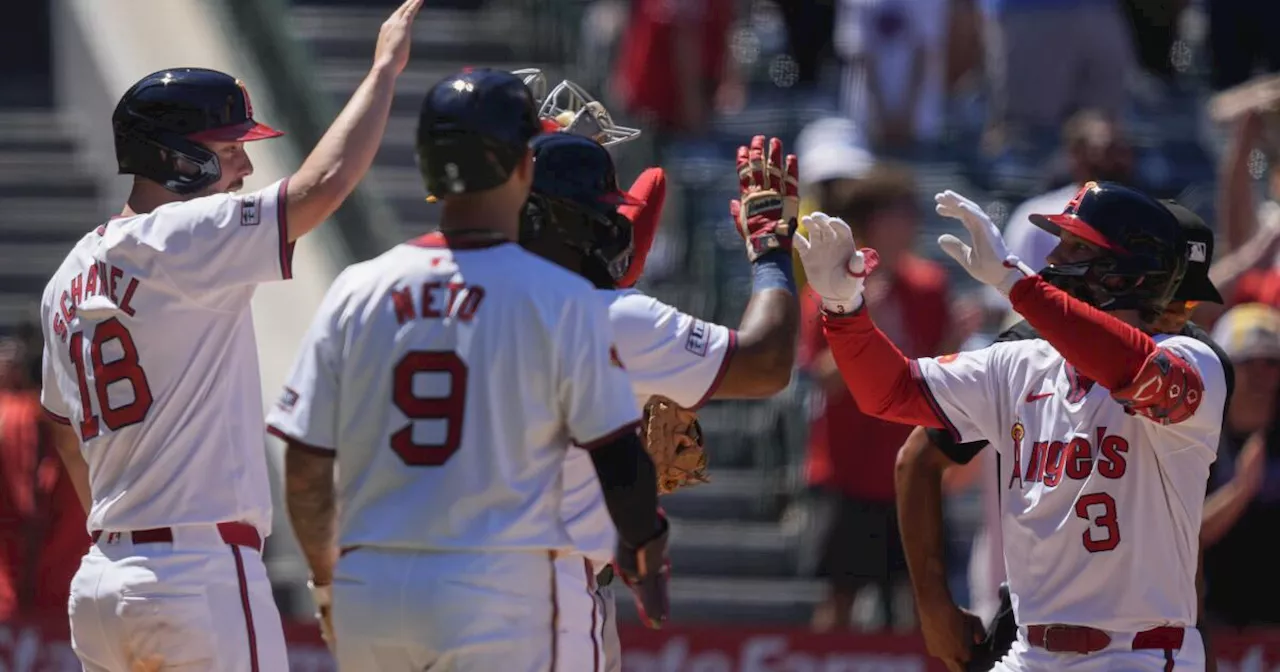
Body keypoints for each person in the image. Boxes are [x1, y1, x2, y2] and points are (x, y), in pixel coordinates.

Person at [36, 1, 424, 668]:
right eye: (228, 149)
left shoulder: (67, 276)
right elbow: (324, 185)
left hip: (104, 578)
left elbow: (62, 428)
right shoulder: (180, 239)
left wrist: (125, 520)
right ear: (175, 158)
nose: (243, 166)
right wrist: (385, 69)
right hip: (197, 573)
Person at [264, 68, 668, 671]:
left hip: (375, 591)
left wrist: (328, 586)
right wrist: (646, 549)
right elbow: (620, 463)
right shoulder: (559, 298)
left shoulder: (359, 287)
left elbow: (304, 466)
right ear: (525, 167)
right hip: (494, 588)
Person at [794, 181, 1228, 671]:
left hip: (1138, 653)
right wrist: (844, 311)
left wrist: (1016, 284)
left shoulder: (1194, 360)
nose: (1055, 256)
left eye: (1076, 247)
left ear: (1120, 276)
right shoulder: (1020, 362)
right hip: (1031, 651)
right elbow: (891, 392)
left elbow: (1134, 371)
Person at [517, 127, 800, 669]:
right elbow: (767, 362)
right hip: (551, 604)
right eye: (601, 213)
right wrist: (770, 249)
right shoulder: (615, 317)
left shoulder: (457, 306)